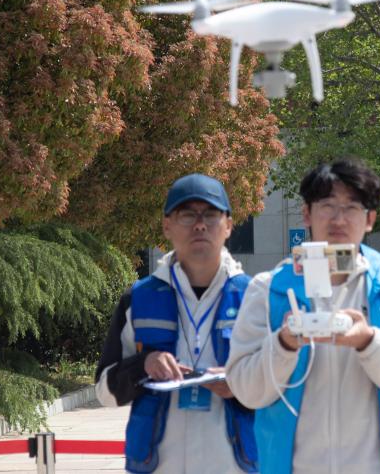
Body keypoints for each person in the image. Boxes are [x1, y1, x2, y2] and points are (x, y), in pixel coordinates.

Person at [226, 158, 380, 474]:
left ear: (370, 219)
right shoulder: (268, 290)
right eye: (327, 205)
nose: (339, 219)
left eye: (352, 207)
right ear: (306, 213)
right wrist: (283, 344)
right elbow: (245, 389)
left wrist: (369, 342)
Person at [95, 173, 258, 473]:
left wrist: (240, 382)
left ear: (228, 225)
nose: (200, 225)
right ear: (167, 225)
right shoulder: (138, 298)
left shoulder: (254, 298)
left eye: (210, 214)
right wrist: (144, 364)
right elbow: (105, 390)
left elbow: (280, 388)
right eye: (187, 214)